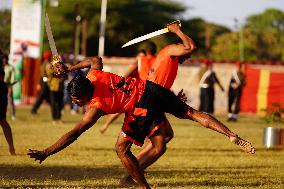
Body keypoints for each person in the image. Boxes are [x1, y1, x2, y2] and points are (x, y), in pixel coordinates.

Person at [28, 55, 255, 189]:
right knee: (193, 113)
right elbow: (95, 60)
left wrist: (47, 152)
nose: (76, 103)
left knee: (121, 148)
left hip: (140, 106)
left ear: (86, 96)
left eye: (77, 100)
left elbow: (73, 133)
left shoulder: (96, 108)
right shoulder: (93, 76)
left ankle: (143, 188)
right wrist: (70, 68)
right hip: (150, 88)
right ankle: (232, 135)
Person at [99, 42, 156, 134]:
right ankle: (110, 126)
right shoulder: (152, 61)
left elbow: (126, 74)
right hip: (137, 90)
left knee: (130, 111)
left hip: (138, 90)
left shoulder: (141, 62)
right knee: (125, 110)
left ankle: (124, 130)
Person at [0, 51, 16, 155]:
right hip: (1, 88)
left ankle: (11, 148)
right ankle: (11, 148)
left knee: (2, 120)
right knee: (3, 121)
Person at [45, 56, 65, 124]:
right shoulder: (51, 66)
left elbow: (64, 73)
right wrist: (56, 70)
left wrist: (61, 71)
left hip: (60, 88)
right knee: (53, 104)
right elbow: (49, 73)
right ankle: (54, 119)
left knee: (60, 104)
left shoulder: (62, 66)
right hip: (53, 87)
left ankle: (59, 118)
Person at [3, 54, 17, 121]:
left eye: (5, 59)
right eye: (3, 59)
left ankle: (12, 115)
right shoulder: (1, 67)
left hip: (7, 86)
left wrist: (10, 88)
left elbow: (12, 80)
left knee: (10, 101)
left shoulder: (11, 68)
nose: (4, 60)